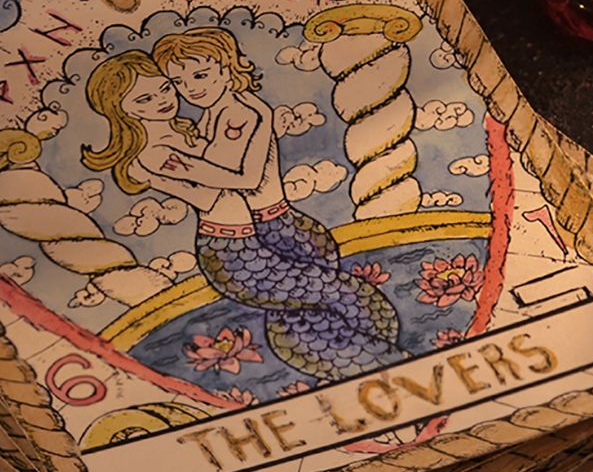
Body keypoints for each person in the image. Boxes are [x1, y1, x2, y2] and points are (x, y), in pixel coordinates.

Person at [82, 36, 402, 381]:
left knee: (315, 311)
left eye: (164, 88)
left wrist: (214, 154)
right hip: (233, 252)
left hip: (257, 234)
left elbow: (236, 174)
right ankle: (388, 367)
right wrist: (251, 129)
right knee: (338, 295)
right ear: (124, 110)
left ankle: (373, 368)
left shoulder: (193, 129)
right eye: (147, 98)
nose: (166, 99)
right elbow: (231, 186)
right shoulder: (156, 153)